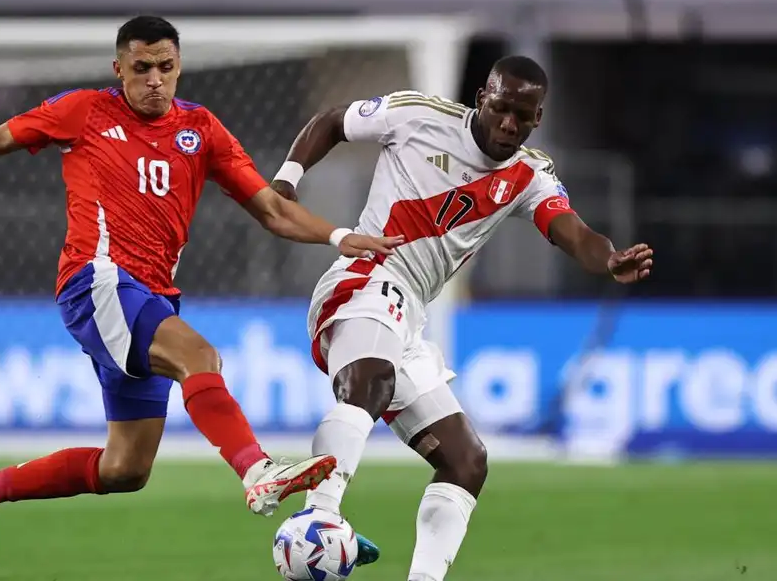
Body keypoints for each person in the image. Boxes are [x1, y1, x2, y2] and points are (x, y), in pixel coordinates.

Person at [0, 15, 402, 575]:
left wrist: (341, 236)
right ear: (118, 68)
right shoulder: (85, 110)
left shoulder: (202, 129)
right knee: (198, 356)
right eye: (142, 68)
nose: (154, 79)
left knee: (125, 468)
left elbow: (271, 208)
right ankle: (256, 471)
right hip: (95, 280)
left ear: (179, 68)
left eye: (166, 68)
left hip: (150, 297)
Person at [269, 55, 654, 579]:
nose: (508, 125)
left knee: (466, 461)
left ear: (538, 117)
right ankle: (319, 512)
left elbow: (573, 232)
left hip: (408, 317)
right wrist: (288, 180)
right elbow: (334, 121)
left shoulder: (527, 175)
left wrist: (607, 259)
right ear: (481, 98)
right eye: (500, 109)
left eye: (523, 115)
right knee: (371, 380)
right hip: (364, 279)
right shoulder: (415, 115)